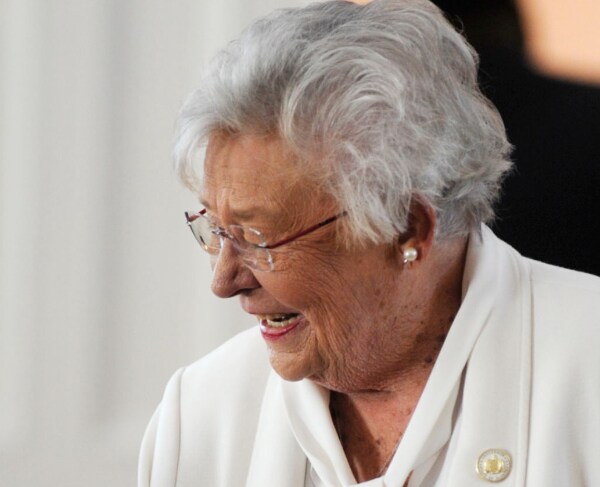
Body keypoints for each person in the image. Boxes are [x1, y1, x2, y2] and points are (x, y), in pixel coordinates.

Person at [138, 1, 600, 486]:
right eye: (216, 230)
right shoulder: (199, 417)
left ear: (407, 229)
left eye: (258, 237)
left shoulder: (587, 370)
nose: (224, 282)